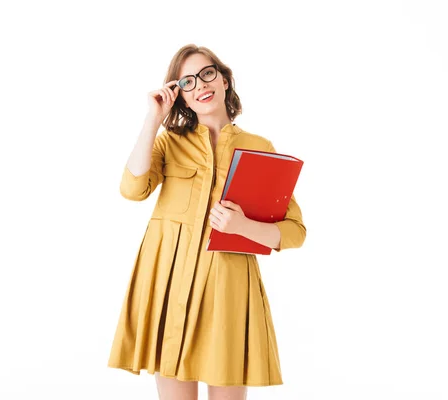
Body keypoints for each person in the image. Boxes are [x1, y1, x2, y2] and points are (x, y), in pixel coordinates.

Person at [107, 44, 306, 400]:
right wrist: (153, 119)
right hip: (168, 284)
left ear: (225, 80)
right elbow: (132, 188)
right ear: (178, 95)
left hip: (226, 290)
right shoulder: (169, 142)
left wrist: (243, 227)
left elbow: (294, 232)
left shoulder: (259, 146)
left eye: (207, 73)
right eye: (187, 81)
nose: (200, 84)